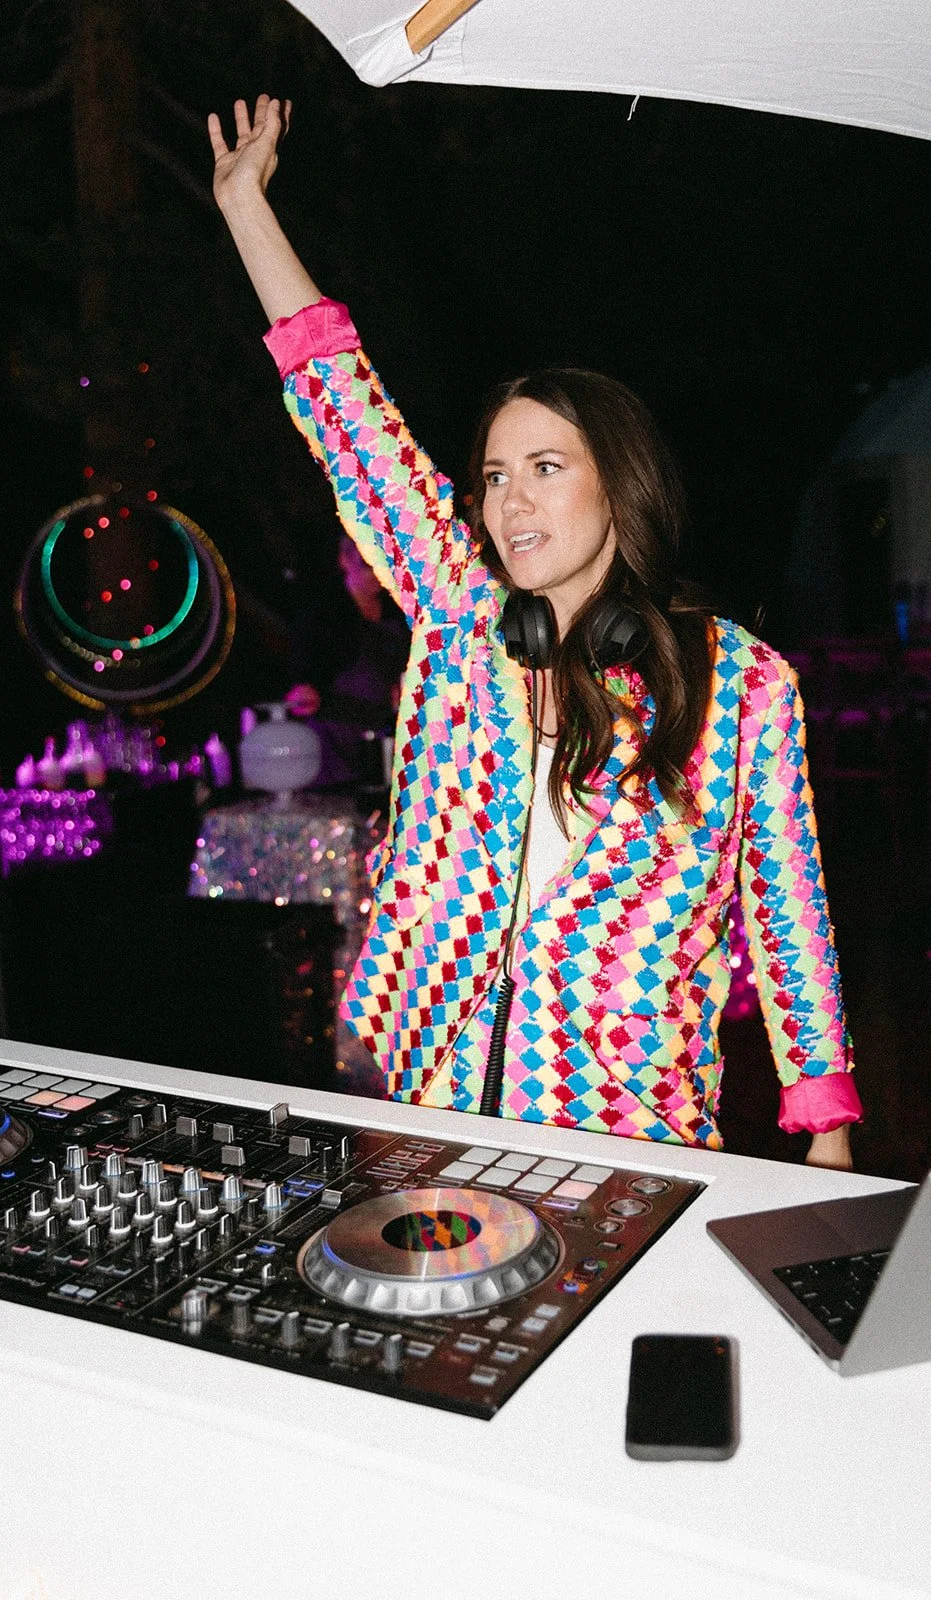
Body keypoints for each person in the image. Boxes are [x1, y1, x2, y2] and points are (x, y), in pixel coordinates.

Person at [208, 95, 862, 1168]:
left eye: (545, 470)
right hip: (434, 1099)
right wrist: (245, 207)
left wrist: (824, 1133)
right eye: (495, 477)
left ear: (621, 488)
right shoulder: (465, 624)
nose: (510, 504)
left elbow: (789, 915)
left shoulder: (742, 687)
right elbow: (345, 414)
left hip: (630, 1123)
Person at [285, 535, 408, 792]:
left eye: (381, 565)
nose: (375, 575)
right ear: (345, 560)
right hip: (337, 739)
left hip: (385, 733)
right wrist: (303, 688)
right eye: (367, 565)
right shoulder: (323, 612)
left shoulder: (396, 609)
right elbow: (300, 675)